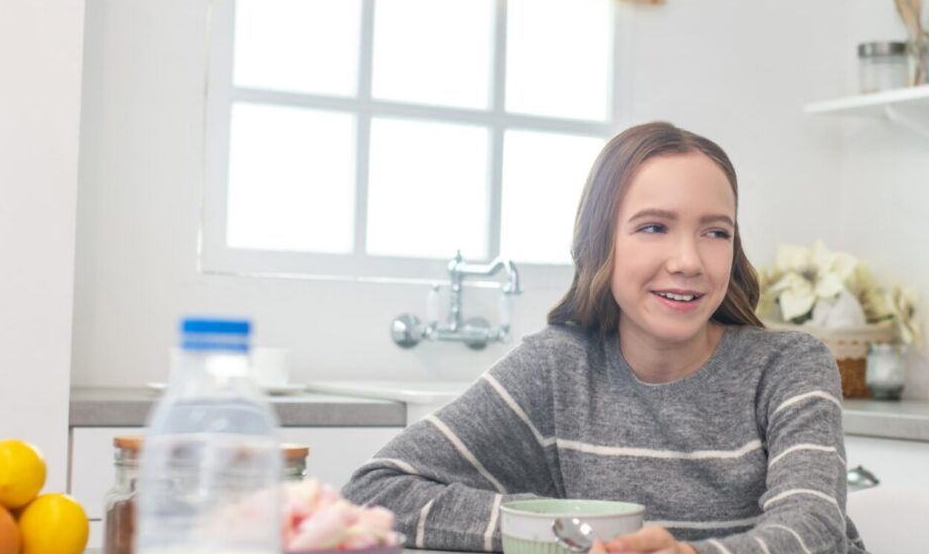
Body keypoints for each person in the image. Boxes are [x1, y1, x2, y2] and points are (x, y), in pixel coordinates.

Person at [344, 122, 866, 554]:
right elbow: (374, 491)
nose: (688, 261)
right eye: (654, 227)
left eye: (715, 232)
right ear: (601, 243)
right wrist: (574, 531)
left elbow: (813, 528)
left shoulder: (790, 366)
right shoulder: (556, 368)